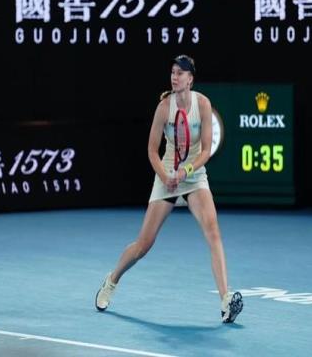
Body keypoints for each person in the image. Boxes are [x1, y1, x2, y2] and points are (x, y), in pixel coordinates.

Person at [95, 55, 244, 323]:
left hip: (194, 176)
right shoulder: (164, 107)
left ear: (190, 79)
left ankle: (225, 300)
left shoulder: (203, 104)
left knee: (213, 233)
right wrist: (166, 176)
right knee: (143, 245)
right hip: (166, 175)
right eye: (173, 72)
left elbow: (206, 150)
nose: (175, 77)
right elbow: (152, 150)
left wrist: (187, 171)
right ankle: (112, 280)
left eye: (180, 73)